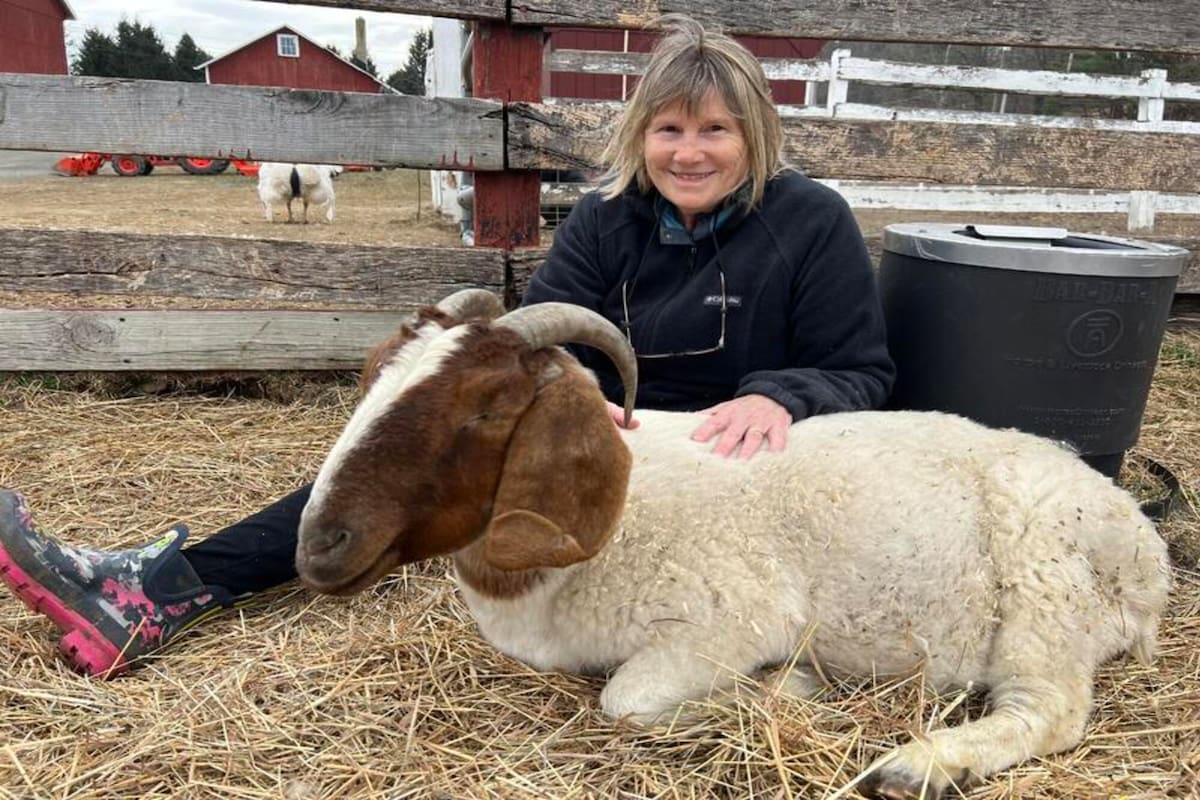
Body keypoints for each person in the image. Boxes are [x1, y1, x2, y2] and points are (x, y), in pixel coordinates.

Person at [0, 15, 894, 678]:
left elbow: (860, 371)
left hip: (733, 467)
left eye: (715, 131)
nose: (689, 152)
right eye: (670, 129)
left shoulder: (810, 222)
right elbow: (537, 352)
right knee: (403, 461)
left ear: (754, 136)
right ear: (640, 136)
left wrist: (782, 395)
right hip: (615, 441)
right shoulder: (604, 218)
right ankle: (158, 591)